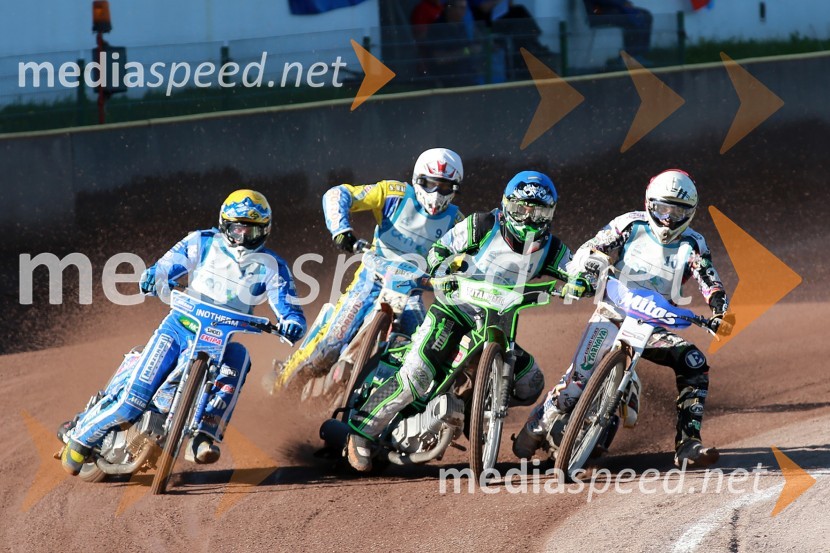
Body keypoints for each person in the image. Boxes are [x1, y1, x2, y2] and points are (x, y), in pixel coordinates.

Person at [346, 170, 594, 472]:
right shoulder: (482, 224)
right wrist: (442, 270)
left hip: (499, 329)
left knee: (531, 383)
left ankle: (472, 401)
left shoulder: (552, 249)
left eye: (536, 212)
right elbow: (440, 249)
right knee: (417, 377)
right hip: (454, 311)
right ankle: (360, 433)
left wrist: (581, 282)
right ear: (506, 206)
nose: (527, 219)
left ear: (549, 214)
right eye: (520, 210)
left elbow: (576, 270)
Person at [60, 190, 307, 475]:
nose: (243, 236)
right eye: (237, 227)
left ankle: (204, 434)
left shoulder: (274, 266)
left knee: (239, 357)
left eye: (251, 230)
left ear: (265, 230)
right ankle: (80, 439)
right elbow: (165, 266)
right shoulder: (201, 241)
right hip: (179, 328)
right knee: (132, 401)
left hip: (222, 340)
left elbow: (289, 307)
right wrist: (154, 276)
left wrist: (292, 323)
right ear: (225, 224)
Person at [513, 169, 732, 468]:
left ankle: (688, 443)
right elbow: (593, 246)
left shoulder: (693, 244)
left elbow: (708, 277)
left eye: (677, 211)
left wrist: (720, 309)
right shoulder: (630, 223)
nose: (668, 219)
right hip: (611, 313)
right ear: (649, 203)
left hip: (651, 326)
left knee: (694, 361)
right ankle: (537, 424)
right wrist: (588, 267)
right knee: (575, 385)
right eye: (662, 209)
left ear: (690, 213)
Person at [273, 148, 465, 386]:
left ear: (455, 188)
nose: (436, 194)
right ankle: (283, 381)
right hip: (371, 279)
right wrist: (341, 230)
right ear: (417, 180)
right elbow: (338, 194)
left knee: (423, 353)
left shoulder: (458, 224)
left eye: (444, 187)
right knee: (329, 348)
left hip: (412, 291)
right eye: (430, 184)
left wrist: (458, 274)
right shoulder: (393, 193)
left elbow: (467, 260)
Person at [583, 0, 653, 59]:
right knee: (630, 20)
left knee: (646, 15)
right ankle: (631, 55)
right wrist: (622, 3)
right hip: (598, 13)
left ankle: (641, 52)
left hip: (614, 9)